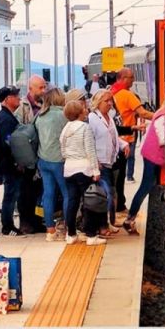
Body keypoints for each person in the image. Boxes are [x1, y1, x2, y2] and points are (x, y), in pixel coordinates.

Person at [60, 100, 106, 246]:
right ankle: (91, 235)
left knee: (72, 202)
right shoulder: (85, 128)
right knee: (89, 202)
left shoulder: (65, 129)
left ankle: (71, 234)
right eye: (84, 109)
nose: (86, 110)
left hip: (69, 169)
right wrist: (95, 170)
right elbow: (90, 151)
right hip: (84, 169)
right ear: (79, 113)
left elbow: (62, 150)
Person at [123, 95, 165, 235]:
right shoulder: (164, 114)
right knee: (146, 186)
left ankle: (130, 218)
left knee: (148, 185)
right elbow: (162, 138)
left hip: (151, 154)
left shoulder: (162, 112)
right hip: (153, 155)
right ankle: (129, 219)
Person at [110, 68, 153, 216]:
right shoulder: (127, 95)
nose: (133, 80)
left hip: (115, 138)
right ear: (122, 78)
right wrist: (161, 116)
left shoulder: (112, 92)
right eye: (131, 77)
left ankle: (118, 204)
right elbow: (143, 113)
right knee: (120, 175)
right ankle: (120, 206)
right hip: (125, 139)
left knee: (116, 176)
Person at [88, 90, 129, 232]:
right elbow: (89, 141)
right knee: (106, 194)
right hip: (100, 163)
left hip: (111, 161)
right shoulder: (92, 119)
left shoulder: (109, 117)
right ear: (98, 102)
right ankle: (104, 225)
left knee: (110, 192)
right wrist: (94, 161)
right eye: (106, 101)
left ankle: (109, 222)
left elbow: (112, 137)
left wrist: (123, 144)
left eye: (111, 100)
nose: (110, 103)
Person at [34, 88, 68, 242]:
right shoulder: (63, 115)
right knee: (67, 193)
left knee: (48, 194)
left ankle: (50, 230)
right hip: (59, 160)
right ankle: (67, 229)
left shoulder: (40, 116)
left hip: (43, 159)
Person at [14, 74, 47, 234]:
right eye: (40, 87)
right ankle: (25, 222)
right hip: (27, 155)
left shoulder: (44, 105)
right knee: (25, 191)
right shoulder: (22, 107)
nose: (43, 90)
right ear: (30, 88)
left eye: (44, 87)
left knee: (38, 190)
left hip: (41, 154)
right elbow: (17, 132)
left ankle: (37, 221)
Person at [0, 86, 26, 237]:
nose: (19, 98)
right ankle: (7, 226)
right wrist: (16, 162)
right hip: (9, 163)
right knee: (10, 194)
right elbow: (9, 143)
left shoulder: (7, 115)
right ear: (7, 99)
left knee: (12, 193)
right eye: (16, 96)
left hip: (8, 162)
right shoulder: (6, 119)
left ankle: (8, 224)